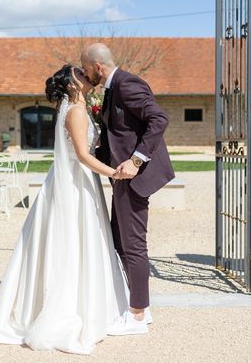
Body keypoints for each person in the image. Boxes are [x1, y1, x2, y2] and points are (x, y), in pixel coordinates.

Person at [0, 64, 129, 355]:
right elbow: (83, 156)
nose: (86, 75)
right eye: (79, 74)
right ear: (73, 85)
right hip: (74, 185)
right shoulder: (74, 112)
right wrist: (115, 173)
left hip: (77, 182)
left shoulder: (76, 108)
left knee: (77, 241)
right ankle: (69, 307)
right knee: (73, 242)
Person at [81, 43, 175, 336]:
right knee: (120, 240)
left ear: (97, 66)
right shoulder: (112, 89)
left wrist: (135, 160)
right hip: (121, 177)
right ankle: (138, 305)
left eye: (85, 69)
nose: (85, 74)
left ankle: (137, 317)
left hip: (134, 176)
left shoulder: (127, 83)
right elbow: (119, 132)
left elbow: (158, 119)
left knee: (133, 245)